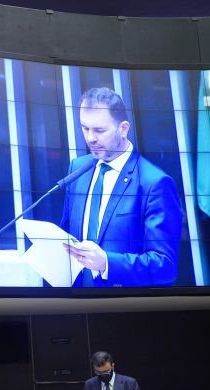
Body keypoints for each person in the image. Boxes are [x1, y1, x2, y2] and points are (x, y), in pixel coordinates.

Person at [61, 87, 182, 287]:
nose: (90, 138)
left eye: (99, 130)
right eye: (85, 128)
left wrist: (107, 263)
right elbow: (67, 237)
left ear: (123, 128)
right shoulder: (77, 169)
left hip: (123, 308)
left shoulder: (155, 183)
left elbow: (165, 266)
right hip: (76, 304)